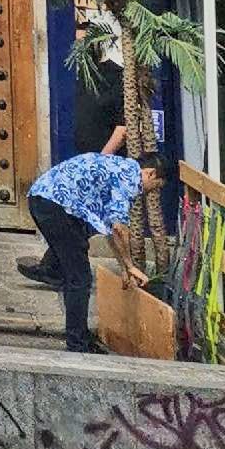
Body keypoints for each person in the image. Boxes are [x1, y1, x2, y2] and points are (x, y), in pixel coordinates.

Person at [21, 140, 163, 352]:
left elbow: (109, 229)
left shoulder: (119, 166)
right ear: (150, 173)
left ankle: (51, 271)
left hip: (43, 198)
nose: (152, 192)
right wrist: (130, 266)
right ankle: (77, 343)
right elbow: (119, 229)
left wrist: (124, 267)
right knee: (80, 278)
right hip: (54, 205)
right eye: (156, 187)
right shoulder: (129, 178)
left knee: (77, 250)